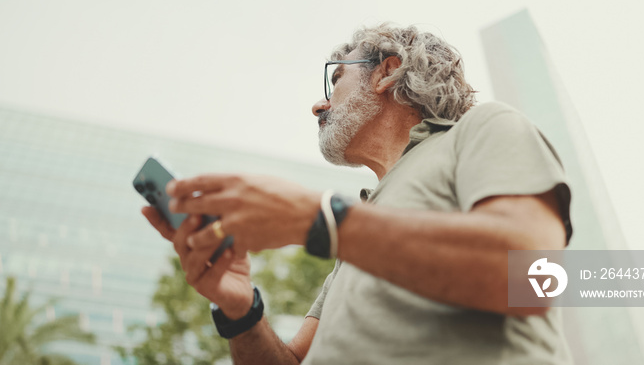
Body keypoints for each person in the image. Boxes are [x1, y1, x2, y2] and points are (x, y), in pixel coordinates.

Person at [143, 23, 574, 364]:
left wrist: (319, 218)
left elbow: (530, 275)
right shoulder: (359, 236)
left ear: (387, 71)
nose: (318, 105)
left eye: (338, 77)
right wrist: (240, 311)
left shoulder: (485, 128)